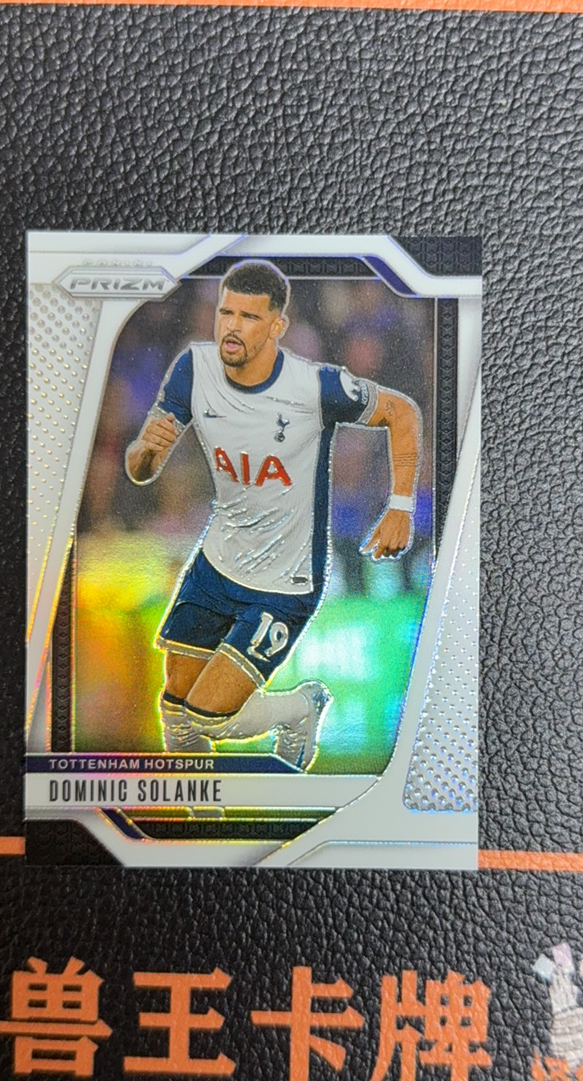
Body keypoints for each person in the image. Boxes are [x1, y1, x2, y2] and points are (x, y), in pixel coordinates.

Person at [125, 260, 422, 769]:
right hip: (216, 564)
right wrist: (145, 451)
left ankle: (300, 707)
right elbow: (141, 470)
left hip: (285, 581)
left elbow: (403, 412)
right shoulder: (194, 369)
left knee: (209, 716)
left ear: (277, 326)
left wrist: (400, 507)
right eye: (226, 313)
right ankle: (200, 813)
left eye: (249, 317)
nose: (232, 327)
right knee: (175, 711)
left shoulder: (316, 387)